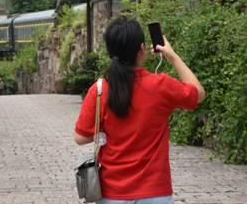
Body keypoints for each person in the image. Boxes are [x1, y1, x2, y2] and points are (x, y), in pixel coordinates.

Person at [74, 18, 205, 204]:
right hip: (155, 192)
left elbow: (80, 137)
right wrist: (172, 55)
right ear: (142, 49)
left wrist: (106, 131)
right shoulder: (161, 85)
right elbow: (198, 94)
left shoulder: (100, 90)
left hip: (112, 194)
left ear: (110, 52)